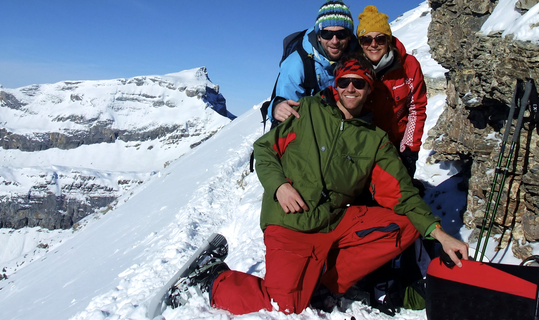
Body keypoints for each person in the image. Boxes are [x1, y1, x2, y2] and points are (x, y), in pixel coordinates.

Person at [185, 55, 468, 316]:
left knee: (404, 224)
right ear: (336, 85)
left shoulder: (375, 140)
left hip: (332, 221)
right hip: (290, 221)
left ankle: (326, 284)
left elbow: (402, 194)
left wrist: (439, 235)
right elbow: (264, 149)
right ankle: (212, 279)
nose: (351, 88)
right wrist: (280, 186)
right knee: (284, 305)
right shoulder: (306, 111)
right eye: (344, 81)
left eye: (359, 83)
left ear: (369, 89)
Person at [268, 0, 358, 125]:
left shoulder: (358, 58)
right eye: (327, 34)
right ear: (319, 36)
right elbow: (287, 112)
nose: (334, 41)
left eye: (341, 34)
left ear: (349, 36)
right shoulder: (297, 64)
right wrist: (278, 107)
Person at [356, 5, 427, 177]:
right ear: (360, 43)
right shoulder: (354, 68)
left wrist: (409, 151)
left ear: (388, 39)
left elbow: (416, 108)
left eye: (380, 39)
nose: (373, 44)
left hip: (397, 145)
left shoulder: (408, 66)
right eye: (367, 39)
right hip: (363, 147)